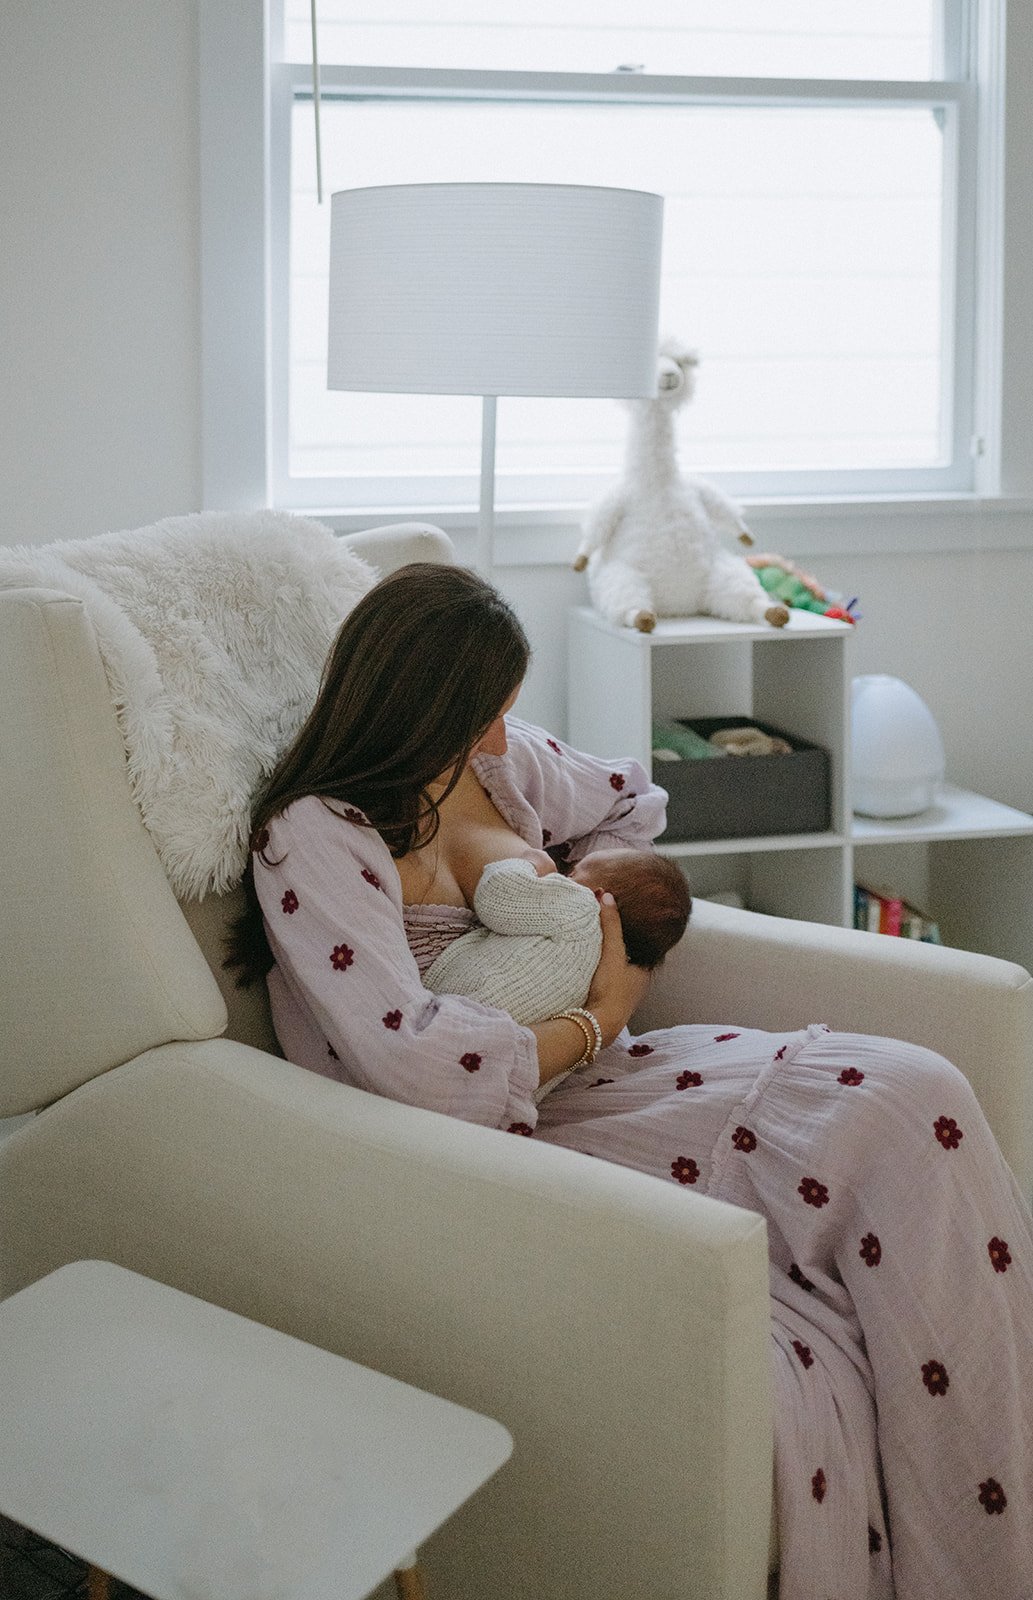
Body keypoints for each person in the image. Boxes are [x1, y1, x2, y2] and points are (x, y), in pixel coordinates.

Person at [226, 562, 1033, 1600]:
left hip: (613, 1077)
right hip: (493, 1140)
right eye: (481, 716)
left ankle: (993, 1554)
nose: (497, 740)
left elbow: (630, 800)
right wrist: (595, 1016)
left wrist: (593, 911)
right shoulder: (312, 834)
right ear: (419, 704)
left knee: (915, 1093)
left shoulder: (500, 770)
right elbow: (411, 1059)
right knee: (877, 1153)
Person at [421, 848, 692, 1063]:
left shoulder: (582, 908)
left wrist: (529, 863)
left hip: (453, 1022)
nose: (563, 879)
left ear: (598, 895)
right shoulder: (604, 971)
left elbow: (498, 897)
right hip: (510, 1066)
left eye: (574, 873)